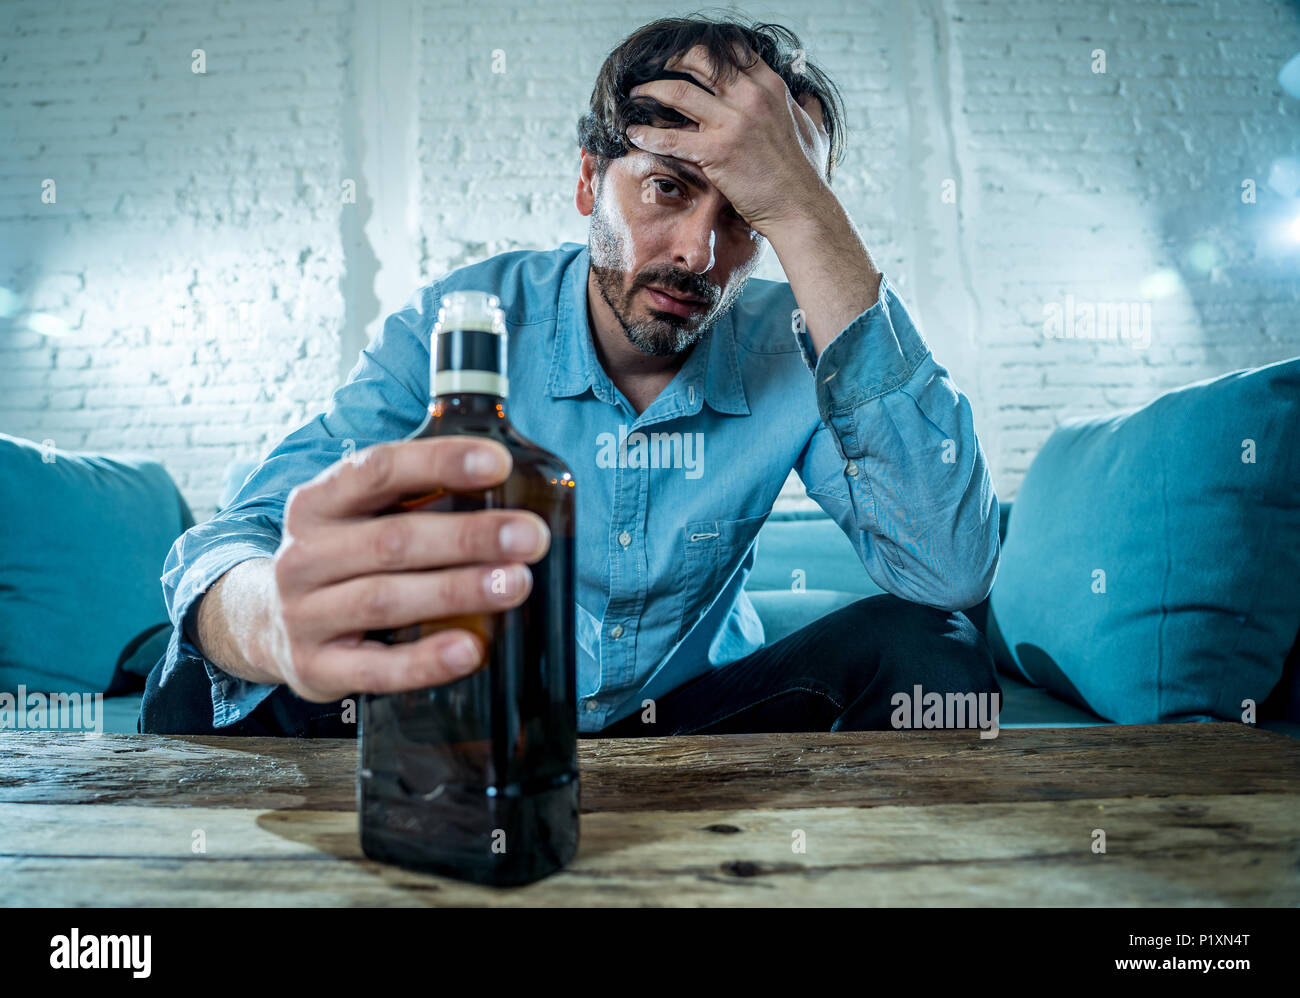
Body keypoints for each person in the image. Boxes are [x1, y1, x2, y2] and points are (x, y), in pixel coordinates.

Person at [141, 14, 1002, 738]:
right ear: (591, 179)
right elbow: (243, 532)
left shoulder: (795, 343)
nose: (699, 254)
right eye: (667, 188)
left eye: (750, 216)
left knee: (938, 657)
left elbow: (949, 570)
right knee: (199, 672)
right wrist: (270, 624)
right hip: (477, 710)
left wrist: (810, 213)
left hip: (693, 721)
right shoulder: (463, 322)